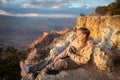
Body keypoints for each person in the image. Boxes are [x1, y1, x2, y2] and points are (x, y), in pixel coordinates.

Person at [20, 26, 94, 76]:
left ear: (84, 35)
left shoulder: (88, 45)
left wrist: (71, 55)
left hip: (76, 62)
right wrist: (58, 56)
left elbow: (85, 60)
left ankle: (40, 75)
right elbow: (67, 50)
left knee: (59, 63)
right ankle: (29, 69)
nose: (77, 36)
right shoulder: (76, 40)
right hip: (69, 56)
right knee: (51, 60)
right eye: (77, 34)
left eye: (79, 34)